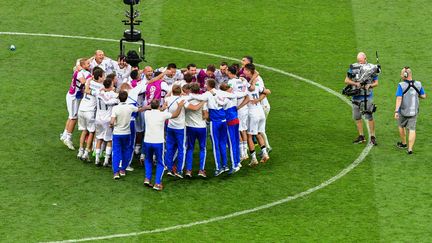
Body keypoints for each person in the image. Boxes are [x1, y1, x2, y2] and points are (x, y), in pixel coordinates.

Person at [143, 99, 184, 191]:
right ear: (159, 106)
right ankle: (157, 183)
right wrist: (180, 106)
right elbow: (175, 115)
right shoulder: (162, 114)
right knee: (160, 162)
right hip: (158, 142)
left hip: (147, 141)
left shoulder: (147, 114)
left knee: (148, 160)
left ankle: (147, 178)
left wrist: (162, 108)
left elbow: (154, 111)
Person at [344, 52, 379, 145]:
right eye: (358, 61)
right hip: (356, 97)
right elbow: (346, 80)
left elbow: (376, 83)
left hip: (367, 97)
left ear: (365, 58)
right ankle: (361, 136)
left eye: (361, 61)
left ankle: (372, 136)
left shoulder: (371, 69)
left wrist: (370, 85)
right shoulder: (353, 67)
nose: (360, 63)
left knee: (369, 116)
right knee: (357, 117)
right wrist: (355, 84)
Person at [110, 91, 145, 179]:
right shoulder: (130, 107)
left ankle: (116, 172)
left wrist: (111, 125)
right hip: (127, 133)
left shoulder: (115, 108)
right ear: (126, 98)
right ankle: (123, 169)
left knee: (116, 152)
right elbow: (140, 109)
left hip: (117, 133)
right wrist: (149, 106)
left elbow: (112, 122)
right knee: (126, 151)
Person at [60, 58, 91, 150]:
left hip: (73, 95)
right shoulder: (81, 73)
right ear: (83, 66)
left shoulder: (80, 70)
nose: (90, 64)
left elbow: (80, 61)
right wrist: (91, 80)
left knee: (71, 116)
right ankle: (68, 139)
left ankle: (64, 135)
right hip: (73, 97)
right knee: (73, 118)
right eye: (88, 63)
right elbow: (83, 82)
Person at [394, 67, 426, 154]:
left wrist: (396, 111)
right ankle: (410, 149)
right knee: (412, 129)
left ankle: (404, 143)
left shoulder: (401, 85)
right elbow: (423, 96)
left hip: (403, 111)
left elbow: (399, 98)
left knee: (401, 126)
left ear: (405, 75)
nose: (401, 75)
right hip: (413, 112)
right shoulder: (418, 84)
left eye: (402, 74)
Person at [76, 67, 105, 161]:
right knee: (91, 132)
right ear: (100, 77)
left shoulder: (89, 80)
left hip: (81, 109)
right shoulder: (101, 87)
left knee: (84, 130)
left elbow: (86, 89)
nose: (104, 77)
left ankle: (80, 150)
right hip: (90, 111)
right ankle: (86, 153)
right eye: (103, 76)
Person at [184, 83, 208, 177]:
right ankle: (201, 170)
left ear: (190, 90)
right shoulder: (203, 101)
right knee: (203, 148)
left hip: (190, 126)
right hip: (201, 127)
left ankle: (188, 170)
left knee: (190, 148)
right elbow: (206, 115)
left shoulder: (187, 100)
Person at [94, 76, 119, 166]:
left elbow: (98, 91)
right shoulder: (113, 94)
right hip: (108, 119)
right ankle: (106, 161)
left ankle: (97, 159)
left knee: (99, 138)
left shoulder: (98, 93)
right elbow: (120, 97)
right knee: (109, 140)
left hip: (98, 118)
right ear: (111, 85)